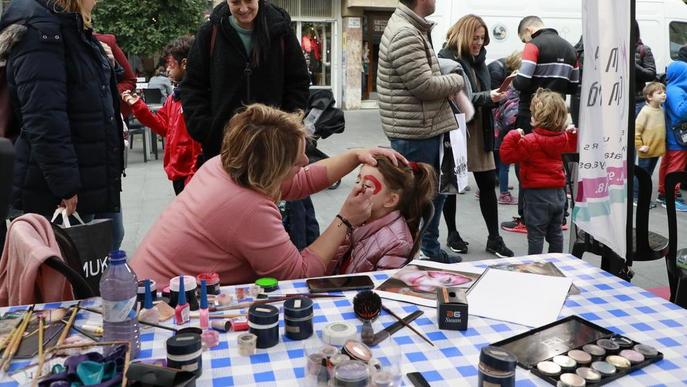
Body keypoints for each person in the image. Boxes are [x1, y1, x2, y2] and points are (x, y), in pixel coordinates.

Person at [130, 104, 406, 287]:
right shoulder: (247, 207)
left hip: (145, 283)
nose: (304, 163)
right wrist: (345, 220)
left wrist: (355, 155)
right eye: (296, 161)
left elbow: (301, 181)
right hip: (161, 305)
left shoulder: (223, 165)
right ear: (272, 167)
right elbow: (298, 275)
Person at [2, 0, 123, 220]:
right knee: (83, 248)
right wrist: (65, 185)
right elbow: (43, 117)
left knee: (110, 239)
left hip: (88, 174)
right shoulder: (42, 31)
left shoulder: (70, 26)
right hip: (54, 188)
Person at [377, 0, 464, 263]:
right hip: (415, 133)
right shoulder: (406, 33)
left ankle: (426, 250)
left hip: (417, 129)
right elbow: (424, 85)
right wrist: (458, 78)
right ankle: (412, 257)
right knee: (418, 203)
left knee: (426, 199)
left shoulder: (411, 28)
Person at [181, 0, 309, 161]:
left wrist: (286, 126)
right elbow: (192, 85)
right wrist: (207, 130)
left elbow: (298, 83)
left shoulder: (281, 32)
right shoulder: (210, 33)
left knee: (269, 187)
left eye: (249, 1)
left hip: (272, 148)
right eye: (235, 2)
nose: (243, 8)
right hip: (222, 148)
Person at [438, 14, 514, 257]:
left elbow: (479, 93)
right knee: (452, 184)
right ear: (463, 34)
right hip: (456, 125)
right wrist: (486, 97)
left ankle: (494, 238)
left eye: (482, 38)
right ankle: (452, 233)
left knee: (487, 183)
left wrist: (495, 97)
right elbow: (453, 97)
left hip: (480, 127)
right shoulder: (446, 58)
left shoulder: (479, 59)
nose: (479, 42)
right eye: (475, 37)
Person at [502, 15, 579, 234]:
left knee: (526, 165)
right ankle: (559, 216)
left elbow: (524, 80)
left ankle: (526, 219)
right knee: (555, 164)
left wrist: (514, 78)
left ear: (527, 30)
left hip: (531, 112)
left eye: (523, 39)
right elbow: (574, 85)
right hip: (558, 115)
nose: (524, 43)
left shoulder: (533, 46)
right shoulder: (570, 49)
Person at [327, 157, 436, 274]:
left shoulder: (397, 245)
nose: (357, 188)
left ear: (391, 200)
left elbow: (383, 288)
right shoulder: (357, 219)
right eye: (358, 181)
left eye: (367, 186)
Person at [500, 89, 577, 254]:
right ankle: (557, 263)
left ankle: (535, 268)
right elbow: (575, 146)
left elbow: (506, 156)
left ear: (536, 118)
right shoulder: (564, 139)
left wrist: (513, 135)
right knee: (555, 233)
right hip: (558, 194)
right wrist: (572, 134)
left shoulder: (529, 141)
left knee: (536, 235)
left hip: (536, 196)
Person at [122, 36, 202, 195]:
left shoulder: (195, 98)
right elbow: (163, 126)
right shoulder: (174, 98)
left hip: (192, 175)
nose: (167, 69)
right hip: (177, 172)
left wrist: (193, 176)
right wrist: (138, 106)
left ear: (184, 64)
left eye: (171, 64)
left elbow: (198, 145)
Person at [490, 51, 522, 206]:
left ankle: (493, 188)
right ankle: (504, 194)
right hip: (506, 130)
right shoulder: (517, 85)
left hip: (499, 128)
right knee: (505, 166)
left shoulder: (507, 84)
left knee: (501, 164)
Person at [658, 60, 687, 211]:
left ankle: (664, 192)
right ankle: (672, 196)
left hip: (671, 133)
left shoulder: (672, 88)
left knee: (668, 162)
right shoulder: (677, 90)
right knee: (677, 165)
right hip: (678, 135)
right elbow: (681, 112)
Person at [634, 82, 666, 201]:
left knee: (648, 175)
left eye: (664, 92)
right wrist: (640, 145)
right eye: (659, 93)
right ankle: (636, 197)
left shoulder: (661, 110)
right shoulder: (645, 111)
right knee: (642, 175)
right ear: (649, 96)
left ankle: (643, 198)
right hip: (646, 150)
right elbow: (636, 130)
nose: (663, 95)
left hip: (656, 150)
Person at [632, 20, 657, 116]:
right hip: (613, 101)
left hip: (636, 101)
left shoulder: (643, 49)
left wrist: (632, 65)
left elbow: (651, 74)